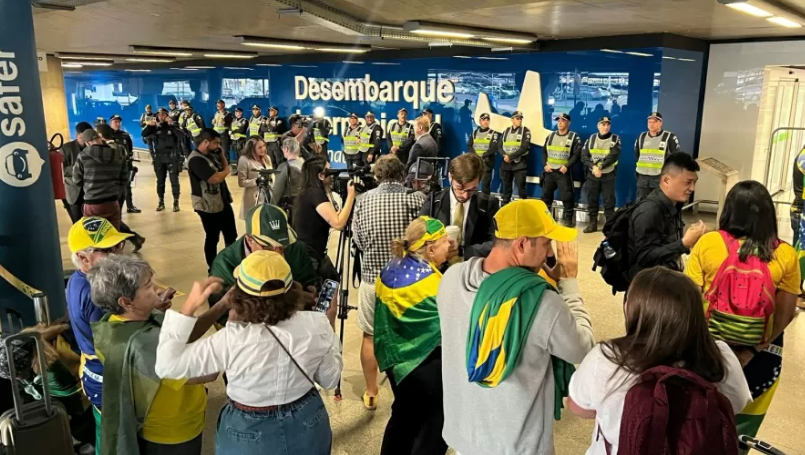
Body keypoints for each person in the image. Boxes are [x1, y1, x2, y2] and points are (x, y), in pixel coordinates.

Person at [438, 199, 594, 455]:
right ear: (522, 244)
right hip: (516, 446)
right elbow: (583, 347)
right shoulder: (542, 301)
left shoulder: (452, 278)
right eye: (545, 244)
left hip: (464, 436)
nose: (549, 253)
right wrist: (569, 284)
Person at [155, 251, 343, 455]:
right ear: (292, 290)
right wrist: (329, 322)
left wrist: (189, 307)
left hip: (248, 433)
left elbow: (167, 366)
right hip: (308, 423)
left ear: (239, 296)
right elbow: (330, 379)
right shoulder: (316, 324)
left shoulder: (231, 339)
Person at [568, 267, 752, 455]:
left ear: (631, 310)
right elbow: (738, 403)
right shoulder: (719, 354)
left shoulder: (608, 357)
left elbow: (578, 407)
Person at [685, 180, 800, 440]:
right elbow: (784, 315)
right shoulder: (785, 254)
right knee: (742, 425)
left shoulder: (708, 243)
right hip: (762, 355)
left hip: (707, 349)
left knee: (698, 421)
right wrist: (751, 351)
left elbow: (689, 300)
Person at [88, 255, 215, 455]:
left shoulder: (112, 325)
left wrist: (151, 310)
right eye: (147, 286)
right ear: (126, 302)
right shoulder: (142, 344)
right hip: (173, 433)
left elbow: (178, 335)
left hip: (169, 426)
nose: (156, 288)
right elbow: (207, 371)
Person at [351, 156, 427, 410]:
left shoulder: (363, 201)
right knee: (411, 337)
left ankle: (372, 391)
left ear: (377, 176)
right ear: (402, 175)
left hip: (373, 279)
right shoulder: (415, 199)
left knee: (370, 335)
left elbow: (358, 242)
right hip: (408, 282)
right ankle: (410, 391)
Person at [375, 216, 451, 455]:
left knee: (403, 417)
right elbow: (451, 323)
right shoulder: (433, 283)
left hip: (395, 361)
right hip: (424, 363)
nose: (451, 245)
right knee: (433, 425)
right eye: (446, 242)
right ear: (430, 249)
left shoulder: (390, 268)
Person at [66, 217, 133, 451]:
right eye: (107, 250)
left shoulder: (81, 279)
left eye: (118, 246)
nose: (117, 253)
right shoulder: (96, 295)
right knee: (116, 438)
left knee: (106, 430)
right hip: (107, 375)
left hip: (95, 372)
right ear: (83, 258)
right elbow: (115, 344)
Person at [209, 203, 318, 306]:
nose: (277, 253)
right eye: (267, 246)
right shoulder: (224, 264)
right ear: (249, 239)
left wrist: (309, 294)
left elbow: (309, 282)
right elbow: (221, 316)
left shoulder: (295, 248)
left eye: (282, 245)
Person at [629, 152, 706, 281]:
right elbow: (644, 258)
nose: (692, 188)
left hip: (664, 281)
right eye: (688, 182)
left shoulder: (674, 205)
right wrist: (683, 243)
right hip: (648, 289)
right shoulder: (649, 211)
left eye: (694, 182)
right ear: (666, 180)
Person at [420, 153, 499, 259]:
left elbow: (497, 243)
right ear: (450, 177)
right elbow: (419, 235)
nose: (465, 195)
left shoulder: (488, 204)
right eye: (460, 188)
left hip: (472, 266)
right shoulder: (434, 201)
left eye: (472, 189)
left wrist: (462, 251)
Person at [292, 155, 356, 274]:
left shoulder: (307, 193)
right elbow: (338, 224)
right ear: (321, 176)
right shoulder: (316, 194)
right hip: (310, 256)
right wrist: (351, 195)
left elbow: (326, 220)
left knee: (332, 280)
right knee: (327, 284)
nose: (332, 175)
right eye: (329, 171)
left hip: (310, 253)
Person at [187, 129, 238, 268]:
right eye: (216, 143)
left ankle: (231, 264)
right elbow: (214, 178)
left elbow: (222, 166)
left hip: (222, 201)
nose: (218, 146)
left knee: (231, 235)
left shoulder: (211, 155)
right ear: (205, 142)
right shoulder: (196, 160)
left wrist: (221, 155)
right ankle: (213, 267)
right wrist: (227, 171)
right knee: (212, 237)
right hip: (207, 206)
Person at [93, 124, 147, 250]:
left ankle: (129, 239)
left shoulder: (110, 149)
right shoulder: (119, 147)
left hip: (114, 189)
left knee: (111, 219)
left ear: (100, 135)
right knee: (113, 218)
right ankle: (134, 238)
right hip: (120, 186)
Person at [74, 128, 128, 230]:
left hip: (92, 203)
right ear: (100, 138)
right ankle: (114, 246)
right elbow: (124, 179)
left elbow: (76, 180)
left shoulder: (82, 156)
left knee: (95, 236)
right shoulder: (117, 154)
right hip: (112, 201)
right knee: (113, 235)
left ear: (87, 143)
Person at [580, 116, 620, 233]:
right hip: (593, 175)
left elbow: (613, 156)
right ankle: (592, 224)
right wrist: (593, 167)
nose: (606, 127)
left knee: (609, 201)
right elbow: (584, 156)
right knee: (592, 199)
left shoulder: (615, 139)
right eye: (603, 124)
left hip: (608, 175)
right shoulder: (591, 139)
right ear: (598, 126)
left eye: (608, 124)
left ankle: (609, 226)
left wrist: (600, 167)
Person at [541, 112, 581, 227]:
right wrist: (545, 165)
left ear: (568, 123)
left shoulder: (574, 137)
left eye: (563, 120)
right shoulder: (550, 136)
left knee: (567, 197)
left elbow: (576, 155)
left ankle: (568, 219)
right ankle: (546, 218)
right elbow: (544, 152)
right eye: (558, 120)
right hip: (549, 172)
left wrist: (567, 166)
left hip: (563, 172)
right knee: (546, 196)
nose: (560, 123)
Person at [142, 108, 183, 212]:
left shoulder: (172, 126)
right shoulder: (154, 127)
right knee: (160, 181)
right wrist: (149, 125)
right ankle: (161, 202)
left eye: (164, 115)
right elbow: (144, 134)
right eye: (159, 115)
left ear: (167, 116)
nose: (161, 117)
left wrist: (172, 126)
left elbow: (182, 136)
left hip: (172, 157)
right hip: (159, 158)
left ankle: (176, 202)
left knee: (174, 181)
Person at [635, 111, 681, 199]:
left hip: (659, 177)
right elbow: (637, 156)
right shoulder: (641, 136)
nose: (652, 124)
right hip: (643, 178)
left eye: (655, 121)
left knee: (659, 202)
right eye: (650, 122)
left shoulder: (669, 137)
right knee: (641, 203)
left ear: (661, 123)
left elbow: (676, 158)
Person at [61, 121, 93, 223]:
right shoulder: (66, 148)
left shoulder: (93, 147)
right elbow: (62, 169)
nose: (86, 139)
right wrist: (78, 168)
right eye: (83, 136)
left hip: (91, 191)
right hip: (74, 192)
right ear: (77, 135)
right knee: (77, 222)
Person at [108, 114, 140, 214]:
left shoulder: (125, 135)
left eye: (119, 122)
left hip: (125, 164)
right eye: (115, 122)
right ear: (111, 123)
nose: (118, 124)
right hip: (113, 166)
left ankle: (130, 206)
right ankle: (115, 208)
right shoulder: (108, 135)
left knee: (127, 186)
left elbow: (130, 149)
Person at [500, 111, 532, 206]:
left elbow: (524, 147)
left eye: (521, 118)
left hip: (520, 165)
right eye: (517, 118)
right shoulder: (506, 131)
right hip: (506, 164)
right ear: (512, 119)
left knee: (521, 189)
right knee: (506, 189)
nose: (520, 120)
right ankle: (505, 208)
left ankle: (524, 209)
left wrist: (510, 157)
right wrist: (504, 155)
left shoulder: (525, 131)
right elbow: (499, 146)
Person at [237, 136, 272, 220]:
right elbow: (241, 182)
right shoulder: (244, 160)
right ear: (252, 149)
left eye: (264, 146)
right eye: (259, 147)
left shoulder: (267, 158)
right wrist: (257, 181)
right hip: (254, 199)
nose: (263, 149)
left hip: (268, 196)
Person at [466, 112, 499, 197]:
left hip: (486, 163)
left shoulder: (493, 133)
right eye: (484, 119)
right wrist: (475, 156)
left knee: (485, 186)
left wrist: (483, 156)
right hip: (475, 162)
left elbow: (494, 147)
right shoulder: (474, 133)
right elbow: (469, 145)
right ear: (480, 121)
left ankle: (485, 204)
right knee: (473, 184)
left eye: (488, 119)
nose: (486, 121)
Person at [271, 137, 305, 218]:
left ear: (286, 149)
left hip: (290, 206)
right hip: (304, 203)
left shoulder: (284, 167)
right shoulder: (305, 164)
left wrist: (271, 207)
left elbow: (277, 191)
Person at [212, 99, 233, 169]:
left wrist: (225, 123)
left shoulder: (228, 114)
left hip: (224, 135)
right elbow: (215, 124)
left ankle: (227, 166)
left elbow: (231, 125)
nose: (217, 105)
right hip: (216, 135)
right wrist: (213, 122)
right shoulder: (216, 113)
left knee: (225, 151)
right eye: (217, 104)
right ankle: (219, 165)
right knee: (217, 150)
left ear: (223, 105)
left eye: (219, 104)